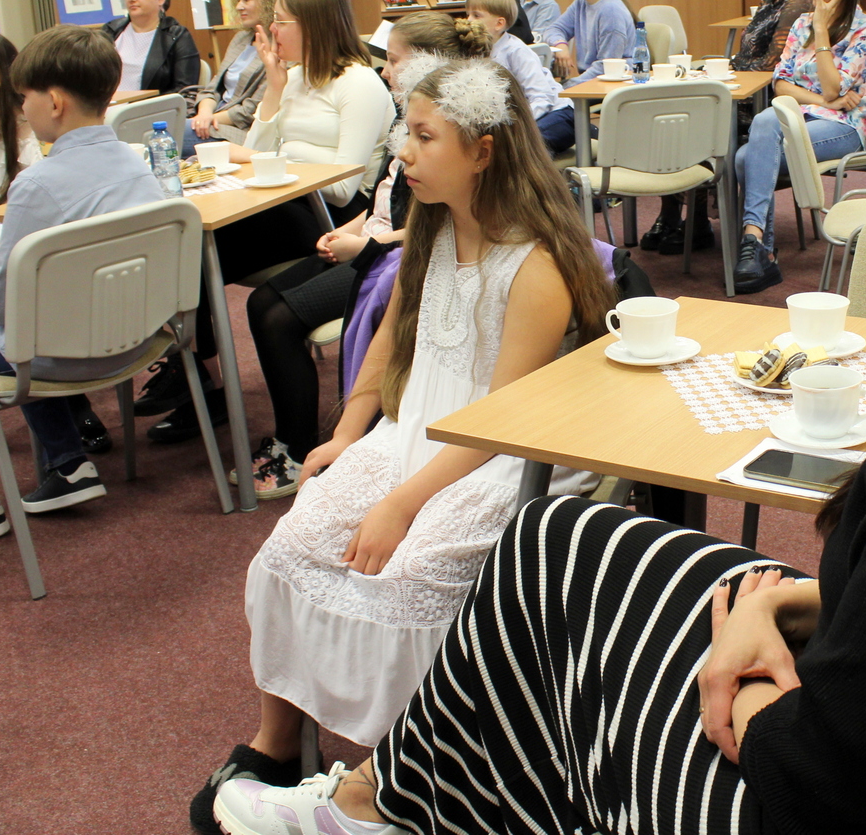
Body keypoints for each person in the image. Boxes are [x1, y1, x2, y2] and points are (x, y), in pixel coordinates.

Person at [210, 17, 866, 835]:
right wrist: (779, 606)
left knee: (551, 608)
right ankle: (386, 798)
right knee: (564, 536)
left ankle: (380, 803)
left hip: (796, 801)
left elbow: (818, 776)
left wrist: (744, 677)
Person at [193, 56, 615, 833]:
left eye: (423, 138)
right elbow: (391, 339)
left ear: (483, 150)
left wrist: (399, 503)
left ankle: (397, 781)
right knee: (294, 542)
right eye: (405, 135)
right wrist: (347, 436)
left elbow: (501, 421)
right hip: (408, 438)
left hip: (494, 460)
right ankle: (278, 741)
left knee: (412, 581)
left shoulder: (539, 263)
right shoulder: (429, 224)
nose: (405, 155)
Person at [0, 26, 165, 543]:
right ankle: (66, 466)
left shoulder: (37, 183)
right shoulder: (137, 164)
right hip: (135, 340)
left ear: (56, 102)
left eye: (25, 97)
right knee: (30, 320)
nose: (22, 106)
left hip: (58, 353)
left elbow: (0, 289)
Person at [235, 11, 494, 497]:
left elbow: (426, 228)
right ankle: (307, 436)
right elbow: (380, 196)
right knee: (261, 301)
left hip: (388, 252)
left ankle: (295, 443)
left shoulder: (446, 143)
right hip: (370, 240)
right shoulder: (410, 119)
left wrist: (366, 244)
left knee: (279, 320)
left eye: (394, 60)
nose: (385, 70)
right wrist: (349, 230)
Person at [138, 0, 392, 443]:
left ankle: (197, 381)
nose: (271, 31)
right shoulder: (292, 77)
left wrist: (260, 160)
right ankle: (199, 377)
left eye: (281, 22)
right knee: (187, 252)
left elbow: (344, 185)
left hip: (331, 214)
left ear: (312, 26)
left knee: (200, 257)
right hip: (284, 202)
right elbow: (254, 147)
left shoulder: (359, 84)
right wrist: (273, 91)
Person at [0, 30, 109, 463]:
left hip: (24, 243)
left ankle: (73, 404)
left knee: (11, 295)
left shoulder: (38, 125)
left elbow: (43, 203)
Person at [645, 0, 813, 257]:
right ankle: (679, 218)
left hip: (762, 103)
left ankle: (692, 221)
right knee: (676, 112)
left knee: (690, 120)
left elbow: (771, 67)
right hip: (742, 93)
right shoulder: (775, 2)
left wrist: (728, 76)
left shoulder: (798, 6)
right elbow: (747, 58)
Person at [734, 0, 866, 293]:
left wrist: (823, 31)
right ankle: (758, 247)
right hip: (804, 115)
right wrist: (824, 99)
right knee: (763, 127)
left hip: (844, 127)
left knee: (749, 152)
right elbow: (781, 83)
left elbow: (833, 81)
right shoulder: (801, 24)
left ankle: (759, 248)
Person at [185, 0, 288, 155]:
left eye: (246, 0)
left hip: (239, 130)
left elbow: (252, 109)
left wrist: (209, 119)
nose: (239, 6)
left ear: (267, 1)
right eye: (238, 0)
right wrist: (204, 114)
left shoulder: (280, 47)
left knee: (168, 136)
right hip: (210, 119)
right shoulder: (240, 39)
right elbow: (211, 89)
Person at [465, 0, 568, 135]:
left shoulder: (516, 50)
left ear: (499, 24)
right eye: (468, 14)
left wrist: (513, 127)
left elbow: (542, 98)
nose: (468, 21)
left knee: (520, 147)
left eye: (476, 16)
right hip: (523, 118)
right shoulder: (476, 51)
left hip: (554, 113)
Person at [99, 0, 200, 96]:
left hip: (150, 110)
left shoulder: (178, 36)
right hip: (104, 108)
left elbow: (185, 90)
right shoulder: (111, 31)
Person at [546, 0, 635, 92]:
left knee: (550, 107)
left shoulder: (610, 11)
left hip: (610, 85)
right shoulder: (581, 3)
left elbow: (606, 67)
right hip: (591, 81)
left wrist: (566, 87)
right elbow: (554, 29)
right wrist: (561, 45)